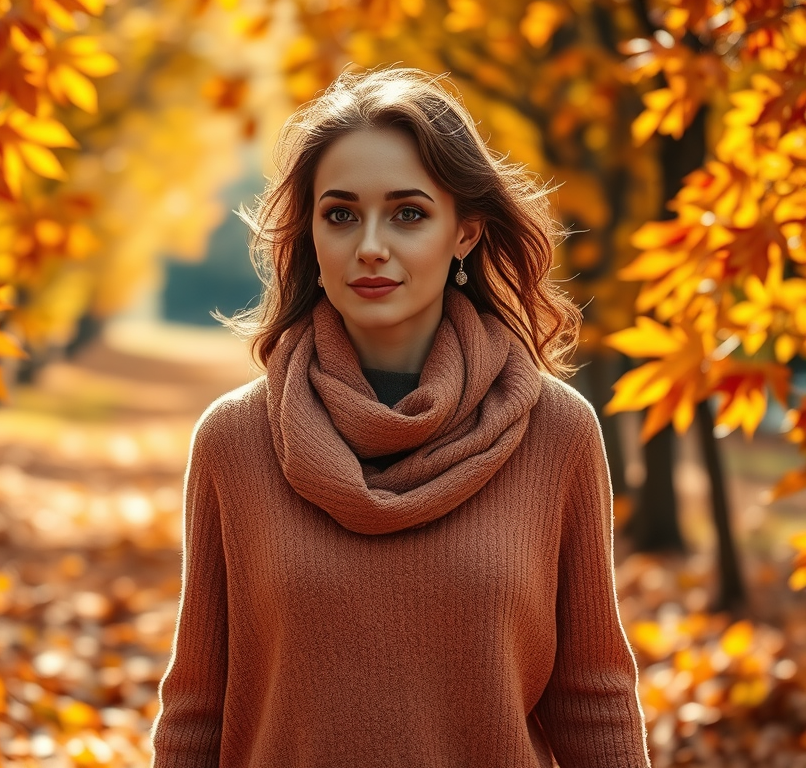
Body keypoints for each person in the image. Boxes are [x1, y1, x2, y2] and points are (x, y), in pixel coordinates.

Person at [150, 67, 651, 768]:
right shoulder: (235, 440)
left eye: (408, 213)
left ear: (466, 233)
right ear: (311, 234)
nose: (371, 246)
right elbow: (197, 714)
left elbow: (593, 701)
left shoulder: (556, 430)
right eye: (341, 213)